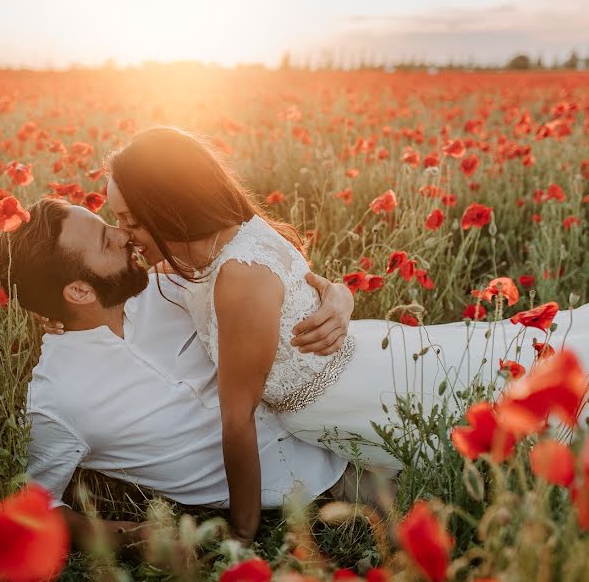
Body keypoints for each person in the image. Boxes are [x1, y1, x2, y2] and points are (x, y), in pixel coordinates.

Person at [101, 125, 589, 542]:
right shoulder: (216, 243)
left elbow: (237, 420)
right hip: (361, 368)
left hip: (365, 397)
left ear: (171, 205)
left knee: (510, 407)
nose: (123, 233)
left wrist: (243, 530)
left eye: (129, 219)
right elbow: (299, 284)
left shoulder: (239, 277)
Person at [0, 199, 379, 551]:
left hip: (349, 414)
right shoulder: (59, 398)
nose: (122, 234)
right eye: (105, 241)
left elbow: (277, 277)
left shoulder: (172, 284)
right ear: (79, 291)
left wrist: (338, 297)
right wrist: (133, 538)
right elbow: (34, 506)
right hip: (310, 496)